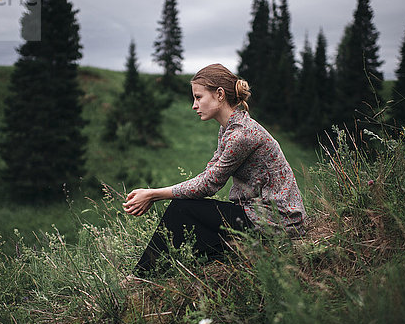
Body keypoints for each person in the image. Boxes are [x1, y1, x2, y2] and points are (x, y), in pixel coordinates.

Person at [123, 63, 306, 277]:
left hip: (277, 221)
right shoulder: (228, 129)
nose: (194, 105)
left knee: (182, 209)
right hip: (256, 216)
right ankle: (159, 277)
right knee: (194, 233)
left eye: (198, 97)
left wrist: (154, 194)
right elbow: (208, 175)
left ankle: (139, 279)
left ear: (219, 95)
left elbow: (209, 185)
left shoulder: (242, 135)